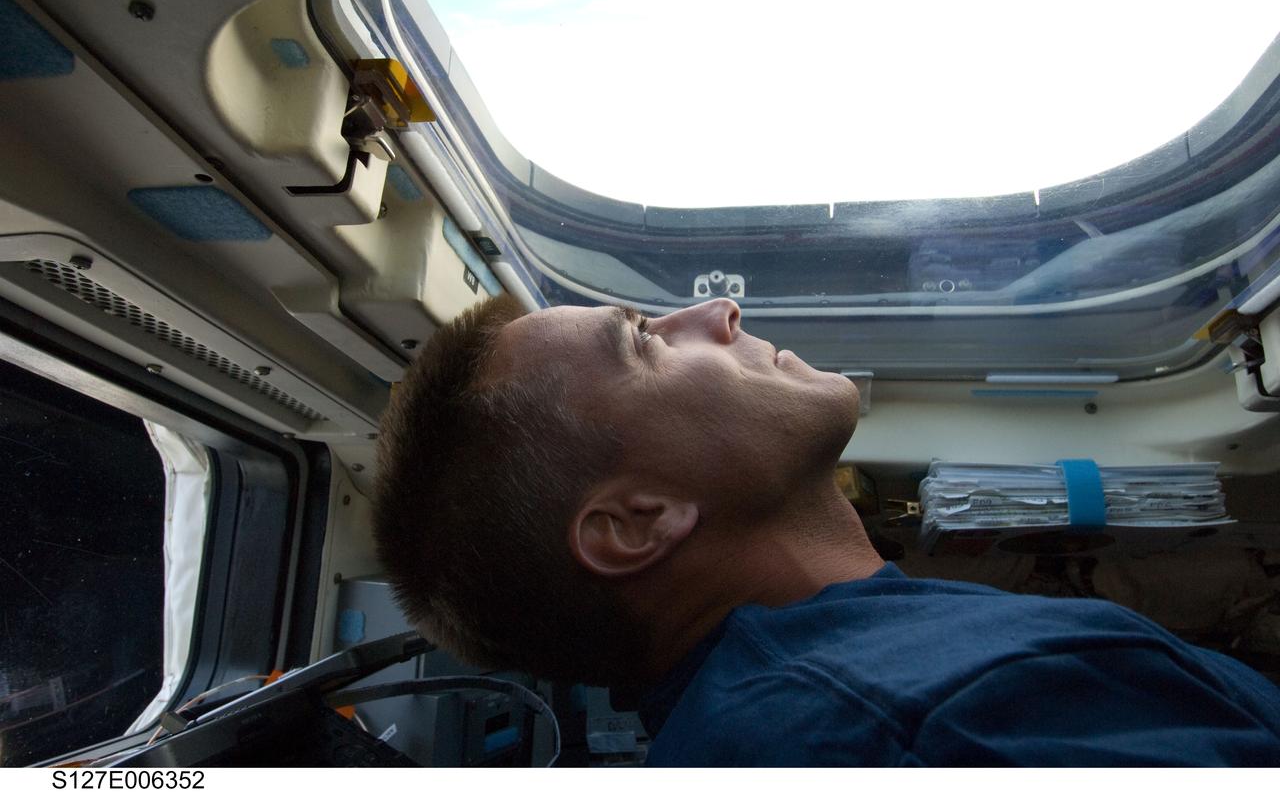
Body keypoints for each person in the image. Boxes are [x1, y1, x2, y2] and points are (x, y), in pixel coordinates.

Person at [373, 294, 1280, 766]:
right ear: (635, 524)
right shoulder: (930, 723)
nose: (718, 313)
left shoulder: (777, 718)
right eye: (645, 342)